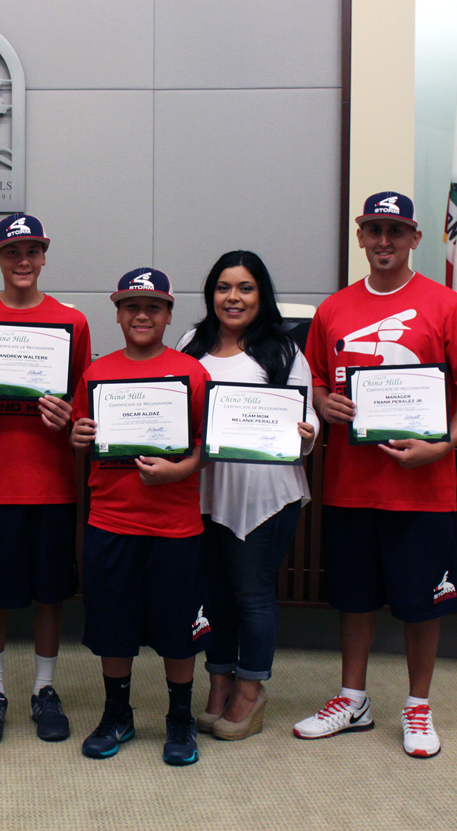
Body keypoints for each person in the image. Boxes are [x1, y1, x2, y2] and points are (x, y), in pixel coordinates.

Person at [293, 192, 457, 758]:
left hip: (424, 489)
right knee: (354, 599)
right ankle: (352, 699)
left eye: (396, 231)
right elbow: (312, 381)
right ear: (360, 235)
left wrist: (445, 444)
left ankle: (417, 707)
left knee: (421, 603)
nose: (384, 241)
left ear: (414, 239)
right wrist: (324, 402)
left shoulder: (447, 306)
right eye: (374, 229)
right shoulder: (333, 310)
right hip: (352, 487)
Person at [0, 214, 92, 746]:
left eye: (32, 251)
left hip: (50, 482)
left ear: (45, 255)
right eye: (13, 252)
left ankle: (44, 688)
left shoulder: (70, 322)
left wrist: (69, 414)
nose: (23, 261)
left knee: (48, 593)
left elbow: (84, 397)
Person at [70, 268, 211, 766]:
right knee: (114, 627)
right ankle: (117, 714)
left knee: (178, 630)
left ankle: (179, 719)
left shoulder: (192, 373)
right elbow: (81, 436)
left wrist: (178, 472)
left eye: (153, 306)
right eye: (132, 306)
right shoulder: (97, 372)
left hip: (175, 527)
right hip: (112, 522)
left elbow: (203, 449)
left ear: (170, 314)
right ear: (118, 313)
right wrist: (78, 437)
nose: (142, 315)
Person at [177, 251, 319, 741]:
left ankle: (250, 690)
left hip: (265, 497)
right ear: (211, 293)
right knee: (213, 593)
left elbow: (309, 420)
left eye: (245, 288)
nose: (232, 298)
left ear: (262, 296)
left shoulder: (282, 351)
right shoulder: (190, 345)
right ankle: (218, 682)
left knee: (252, 595)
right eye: (223, 287)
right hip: (204, 491)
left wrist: (305, 432)